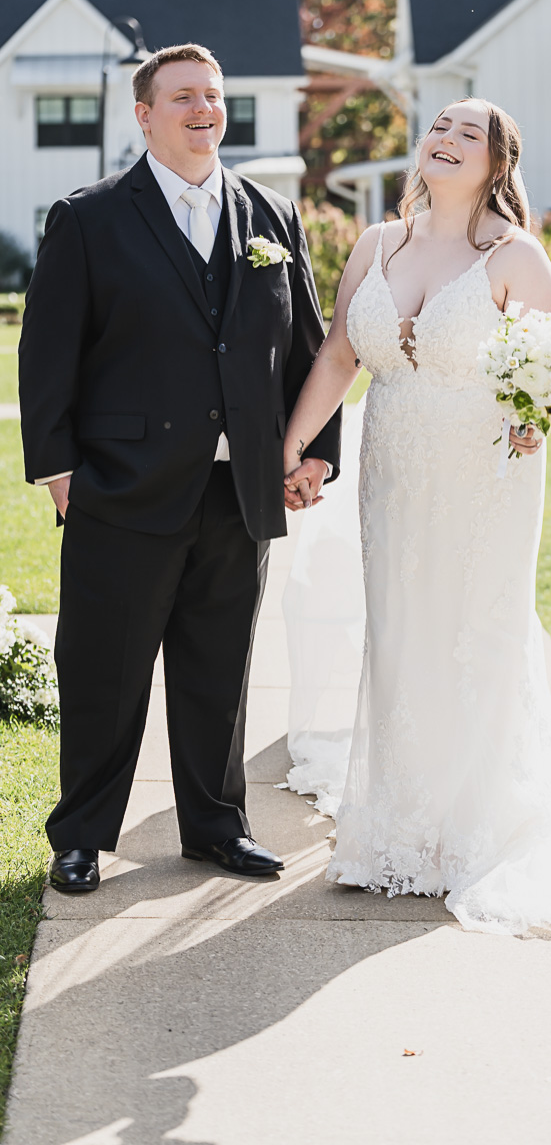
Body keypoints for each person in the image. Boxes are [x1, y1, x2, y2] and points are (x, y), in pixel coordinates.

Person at [282, 97, 551, 935]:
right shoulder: (375, 245)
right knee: (398, 628)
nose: (448, 139)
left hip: (486, 472)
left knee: (474, 627)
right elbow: (337, 354)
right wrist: (286, 449)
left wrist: (531, 417)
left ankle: (470, 824)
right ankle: (394, 825)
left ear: (497, 163)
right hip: (393, 462)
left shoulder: (513, 254)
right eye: (439, 126)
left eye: (471, 132)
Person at [19, 43, 340, 894]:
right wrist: (60, 473)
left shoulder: (272, 215)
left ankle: (215, 829)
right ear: (145, 114)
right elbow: (47, 356)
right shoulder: (88, 218)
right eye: (184, 96)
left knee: (219, 670)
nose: (204, 109)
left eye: (214, 95)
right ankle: (83, 836)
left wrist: (314, 454)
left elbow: (310, 348)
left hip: (239, 492)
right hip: (120, 489)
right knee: (103, 672)